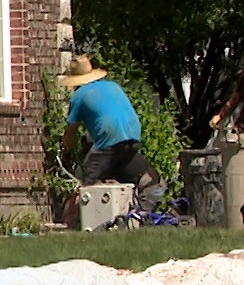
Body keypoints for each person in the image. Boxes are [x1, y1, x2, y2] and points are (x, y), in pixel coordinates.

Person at [59, 55, 165, 212]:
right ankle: (130, 213)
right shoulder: (112, 86)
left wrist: (65, 154)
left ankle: (89, 221)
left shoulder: (79, 96)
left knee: (88, 180)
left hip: (110, 139)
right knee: (122, 172)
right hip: (133, 136)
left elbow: (70, 132)